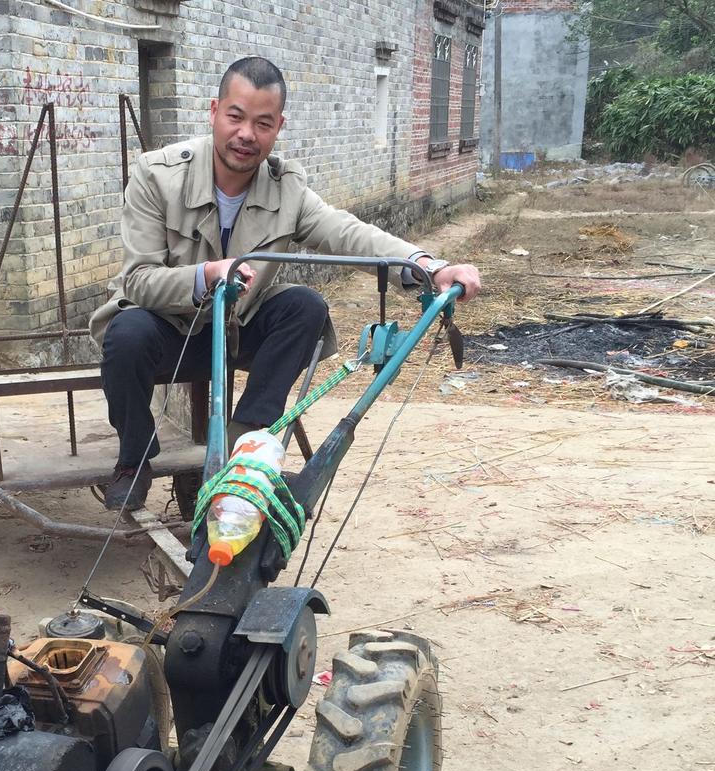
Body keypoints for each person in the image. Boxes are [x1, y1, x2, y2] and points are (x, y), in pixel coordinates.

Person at [89, 56, 482, 510]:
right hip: (166, 333)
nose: (246, 135)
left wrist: (429, 267)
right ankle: (134, 460)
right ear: (214, 111)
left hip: (233, 332)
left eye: (263, 123)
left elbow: (347, 233)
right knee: (127, 332)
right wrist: (209, 274)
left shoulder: (286, 187)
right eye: (235, 116)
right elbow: (139, 279)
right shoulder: (156, 176)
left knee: (305, 306)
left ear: (278, 127)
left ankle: (244, 450)